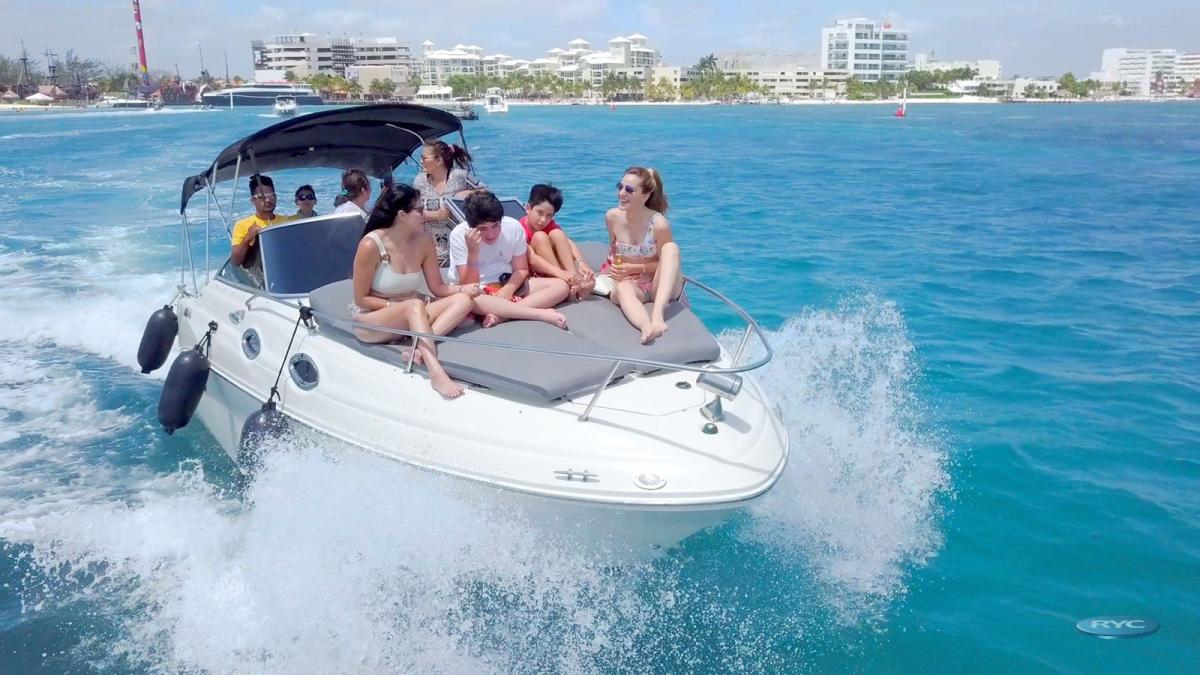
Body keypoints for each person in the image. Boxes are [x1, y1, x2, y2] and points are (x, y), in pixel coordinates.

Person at [351, 183, 481, 399]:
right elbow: (361, 299)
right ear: (402, 215)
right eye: (420, 210)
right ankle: (435, 370)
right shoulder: (371, 245)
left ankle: (417, 349)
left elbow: (438, 288)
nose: (426, 215)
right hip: (373, 319)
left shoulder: (424, 239)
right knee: (414, 305)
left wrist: (463, 288)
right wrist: (396, 306)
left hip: (413, 313)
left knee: (463, 301)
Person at [448, 191, 569, 329]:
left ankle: (503, 315)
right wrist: (473, 252)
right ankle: (538, 314)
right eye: (483, 229)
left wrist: (508, 289)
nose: (491, 234)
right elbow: (469, 284)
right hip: (478, 290)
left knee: (561, 286)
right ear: (471, 226)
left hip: (507, 282)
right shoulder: (459, 235)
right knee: (469, 299)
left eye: (495, 226)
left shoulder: (513, 227)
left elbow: (521, 269)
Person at [602, 167, 682, 344]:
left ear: (645, 195)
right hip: (632, 285)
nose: (621, 193)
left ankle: (658, 316)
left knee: (671, 249)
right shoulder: (612, 217)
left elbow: (666, 263)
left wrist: (635, 267)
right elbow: (613, 253)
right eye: (620, 187)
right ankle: (646, 327)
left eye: (629, 190)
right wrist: (611, 272)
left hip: (658, 286)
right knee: (623, 288)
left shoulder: (659, 224)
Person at [414, 140, 488, 267]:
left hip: (461, 247)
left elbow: (486, 192)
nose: (421, 161)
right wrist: (436, 215)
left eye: (424, 158)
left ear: (439, 160)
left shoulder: (460, 176)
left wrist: (467, 194)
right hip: (432, 251)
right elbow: (411, 212)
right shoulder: (419, 181)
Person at [520, 184, 595, 300]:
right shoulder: (519, 229)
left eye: (549, 216)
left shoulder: (549, 225)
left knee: (557, 233)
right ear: (528, 208)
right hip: (537, 272)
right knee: (540, 237)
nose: (543, 220)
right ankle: (566, 283)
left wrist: (581, 262)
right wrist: (560, 274)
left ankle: (573, 280)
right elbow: (532, 259)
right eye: (539, 213)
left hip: (556, 270)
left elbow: (567, 241)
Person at [230, 174, 296, 271]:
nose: (268, 200)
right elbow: (236, 261)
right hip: (261, 274)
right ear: (253, 200)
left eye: (271, 196)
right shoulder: (242, 225)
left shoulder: (287, 222)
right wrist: (248, 238)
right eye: (262, 197)